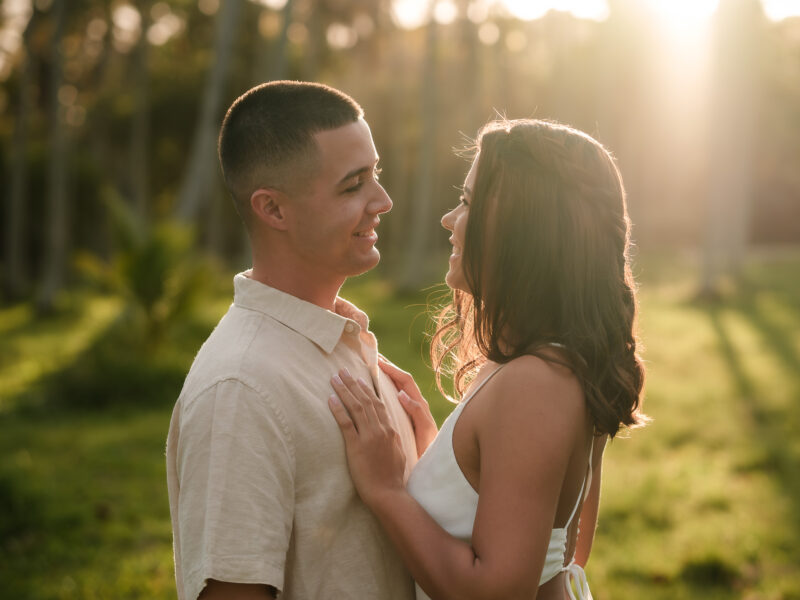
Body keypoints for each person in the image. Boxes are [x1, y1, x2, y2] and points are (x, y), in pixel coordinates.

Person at [328, 118, 647, 600]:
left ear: (525, 230)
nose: (449, 220)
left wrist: (387, 490)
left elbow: (496, 590)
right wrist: (449, 461)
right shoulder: (551, 366)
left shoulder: (536, 384)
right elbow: (560, 547)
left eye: (469, 202)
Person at [165, 81, 418, 600]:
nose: (383, 201)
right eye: (353, 186)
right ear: (273, 210)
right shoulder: (240, 390)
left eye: (376, 175)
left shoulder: (342, 340)